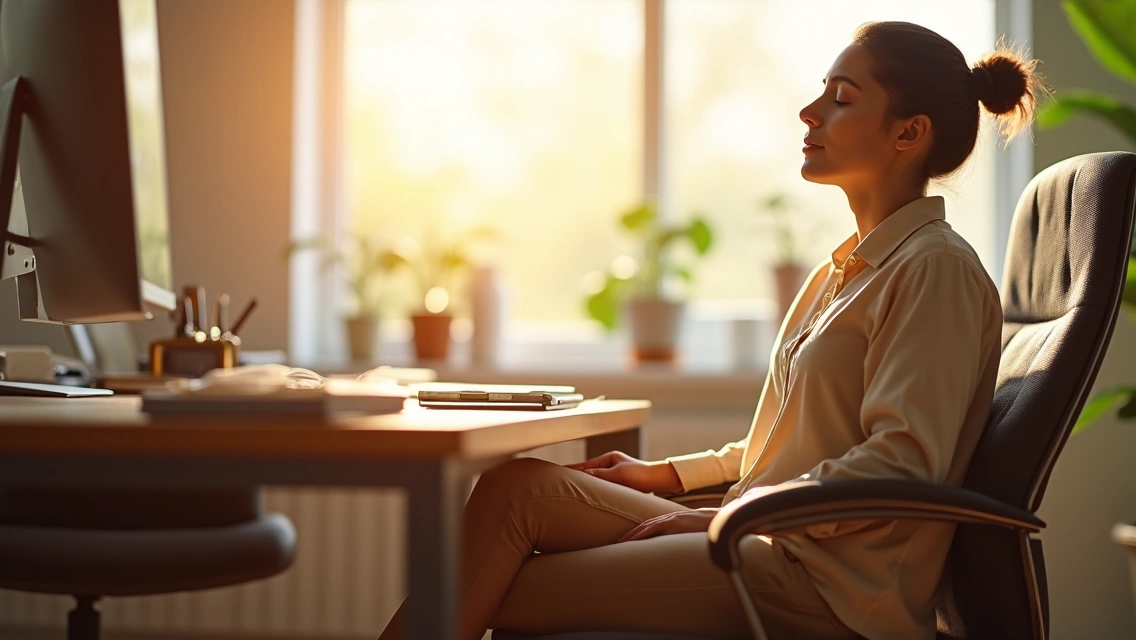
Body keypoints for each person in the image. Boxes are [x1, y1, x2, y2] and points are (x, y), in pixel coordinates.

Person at [379, 20, 1042, 640]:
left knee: (494, 588)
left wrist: (728, 516)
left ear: (908, 134)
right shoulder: (841, 271)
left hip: (832, 584)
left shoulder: (936, 272)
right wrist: (666, 477)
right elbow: (781, 450)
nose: (810, 113)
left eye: (841, 98)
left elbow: (902, 464)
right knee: (515, 487)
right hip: (770, 537)